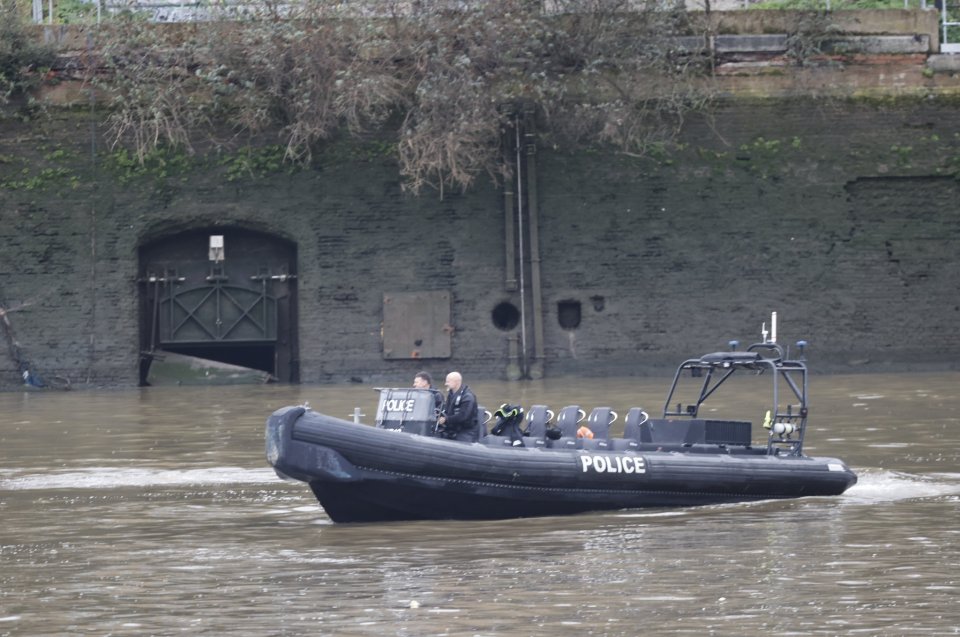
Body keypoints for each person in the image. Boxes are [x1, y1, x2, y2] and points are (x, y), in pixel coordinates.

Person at [437, 371, 480, 442]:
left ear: (456, 382)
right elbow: (447, 411)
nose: (445, 384)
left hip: (466, 431)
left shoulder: (468, 397)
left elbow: (463, 416)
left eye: (448, 382)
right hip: (453, 429)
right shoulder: (451, 394)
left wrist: (446, 419)